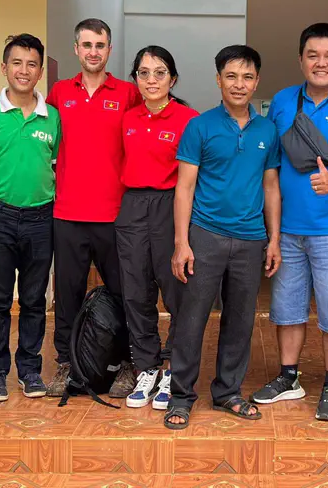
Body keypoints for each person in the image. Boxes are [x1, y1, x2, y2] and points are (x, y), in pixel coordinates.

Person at [252, 23, 328, 422]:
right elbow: (271, 156)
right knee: (286, 308)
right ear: (301, 59)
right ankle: (289, 378)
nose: (320, 63)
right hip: (288, 228)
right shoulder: (285, 101)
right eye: (312, 55)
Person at [164, 45, 281, 430]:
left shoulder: (267, 130)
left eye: (247, 77)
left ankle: (228, 392)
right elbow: (184, 188)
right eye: (231, 76)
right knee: (191, 319)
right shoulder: (200, 126)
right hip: (206, 236)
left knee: (241, 320)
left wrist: (274, 239)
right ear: (218, 80)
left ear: (257, 81)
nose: (239, 84)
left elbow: (270, 188)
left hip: (250, 240)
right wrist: (182, 242)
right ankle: (180, 396)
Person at [45, 18, 140, 398]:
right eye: (86, 45)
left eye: (100, 45)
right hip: (67, 213)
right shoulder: (58, 93)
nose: (93, 52)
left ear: (109, 50)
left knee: (124, 293)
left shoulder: (128, 93)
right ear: (76, 49)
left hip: (115, 216)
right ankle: (67, 366)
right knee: (66, 295)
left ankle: (127, 364)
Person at [0, 34, 60, 402]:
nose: (24, 71)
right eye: (17, 63)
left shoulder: (52, 117)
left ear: (40, 71)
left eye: (31, 64)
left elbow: (53, 164)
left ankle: (29, 369)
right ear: (4, 68)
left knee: (34, 299)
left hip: (42, 219)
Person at [117, 46, 198, 410]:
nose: (152, 79)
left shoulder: (188, 119)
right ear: (136, 79)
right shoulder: (127, 118)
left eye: (160, 72)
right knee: (135, 291)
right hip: (132, 206)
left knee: (176, 290)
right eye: (144, 72)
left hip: (171, 207)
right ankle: (147, 366)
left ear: (173, 78)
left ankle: (173, 370)